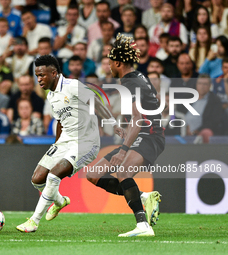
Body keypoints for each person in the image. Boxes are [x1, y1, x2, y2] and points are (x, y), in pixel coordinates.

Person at [16, 54, 120, 233]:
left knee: (54, 175)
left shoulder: (72, 86)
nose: (38, 79)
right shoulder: (51, 96)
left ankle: (33, 221)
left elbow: (95, 101)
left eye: (42, 75)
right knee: (37, 179)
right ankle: (60, 201)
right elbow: (60, 121)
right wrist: (56, 146)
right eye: (37, 75)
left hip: (86, 142)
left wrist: (113, 123)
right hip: (65, 141)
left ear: (54, 73)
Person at [86, 34, 164, 237]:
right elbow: (145, 111)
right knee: (93, 174)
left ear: (118, 62)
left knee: (123, 172)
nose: (108, 66)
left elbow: (139, 118)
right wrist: (126, 129)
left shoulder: (130, 82)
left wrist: (124, 149)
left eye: (110, 62)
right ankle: (144, 197)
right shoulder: (138, 77)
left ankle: (143, 226)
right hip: (144, 132)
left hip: (150, 135)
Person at [185, 74, 223, 143]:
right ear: (196, 84)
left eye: (205, 84)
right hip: (183, 130)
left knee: (207, 132)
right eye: (200, 83)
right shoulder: (189, 97)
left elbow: (213, 121)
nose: (202, 86)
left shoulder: (214, 100)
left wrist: (196, 131)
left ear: (210, 85)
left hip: (200, 132)